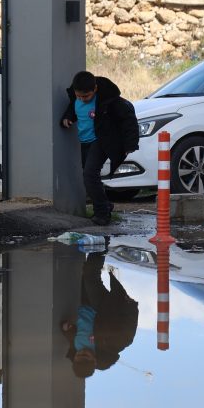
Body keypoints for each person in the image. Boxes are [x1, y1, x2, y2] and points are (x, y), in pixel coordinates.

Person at [60, 71, 139, 226]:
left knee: (89, 175)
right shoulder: (76, 99)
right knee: (90, 177)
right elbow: (73, 108)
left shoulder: (109, 101)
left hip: (101, 141)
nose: (82, 100)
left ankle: (102, 213)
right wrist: (67, 117)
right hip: (85, 142)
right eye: (79, 96)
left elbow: (128, 120)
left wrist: (130, 144)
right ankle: (106, 204)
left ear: (95, 89)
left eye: (86, 96)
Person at [60, 251, 139, 379]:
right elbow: (130, 327)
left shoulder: (75, 347)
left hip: (84, 304)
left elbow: (71, 335)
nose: (83, 351)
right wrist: (129, 305)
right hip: (103, 308)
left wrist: (65, 328)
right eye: (86, 355)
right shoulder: (111, 346)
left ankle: (94, 245)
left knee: (83, 273)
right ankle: (101, 241)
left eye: (79, 355)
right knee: (90, 275)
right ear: (95, 361)